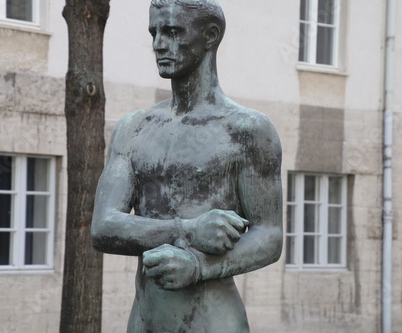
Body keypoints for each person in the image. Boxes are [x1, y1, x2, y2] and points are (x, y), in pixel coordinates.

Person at [91, 0, 283, 331]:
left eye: (173, 31)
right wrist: (187, 230)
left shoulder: (247, 129)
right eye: (154, 32)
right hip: (146, 317)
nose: (158, 44)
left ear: (210, 36)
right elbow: (103, 227)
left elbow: (270, 234)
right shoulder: (134, 128)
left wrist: (198, 266)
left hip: (213, 318)